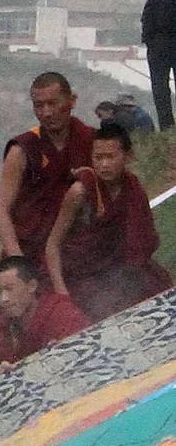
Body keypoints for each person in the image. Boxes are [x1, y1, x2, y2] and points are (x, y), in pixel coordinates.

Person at [45, 118, 169, 319]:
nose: (104, 165)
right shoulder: (80, 191)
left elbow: (142, 240)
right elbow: (53, 244)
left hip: (126, 272)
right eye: (98, 158)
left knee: (159, 289)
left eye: (110, 157)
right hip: (85, 278)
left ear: (128, 156)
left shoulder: (133, 187)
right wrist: (62, 294)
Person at [0, 70, 96, 260]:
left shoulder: (93, 142)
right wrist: (17, 259)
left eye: (53, 103)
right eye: (39, 106)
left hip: (81, 252)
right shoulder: (22, 150)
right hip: (31, 252)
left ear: (72, 101)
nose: (47, 113)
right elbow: (3, 210)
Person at [0, 253, 90, 379]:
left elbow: (83, 353)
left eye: (9, 289)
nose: (3, 299)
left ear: (32, 286)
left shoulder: (60, 311)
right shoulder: (4, 318)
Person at [146, 0, 176, 136]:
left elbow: (147, 23)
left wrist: (151, 44)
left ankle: (167, 126)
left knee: (160, 88)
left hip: (159, 46)